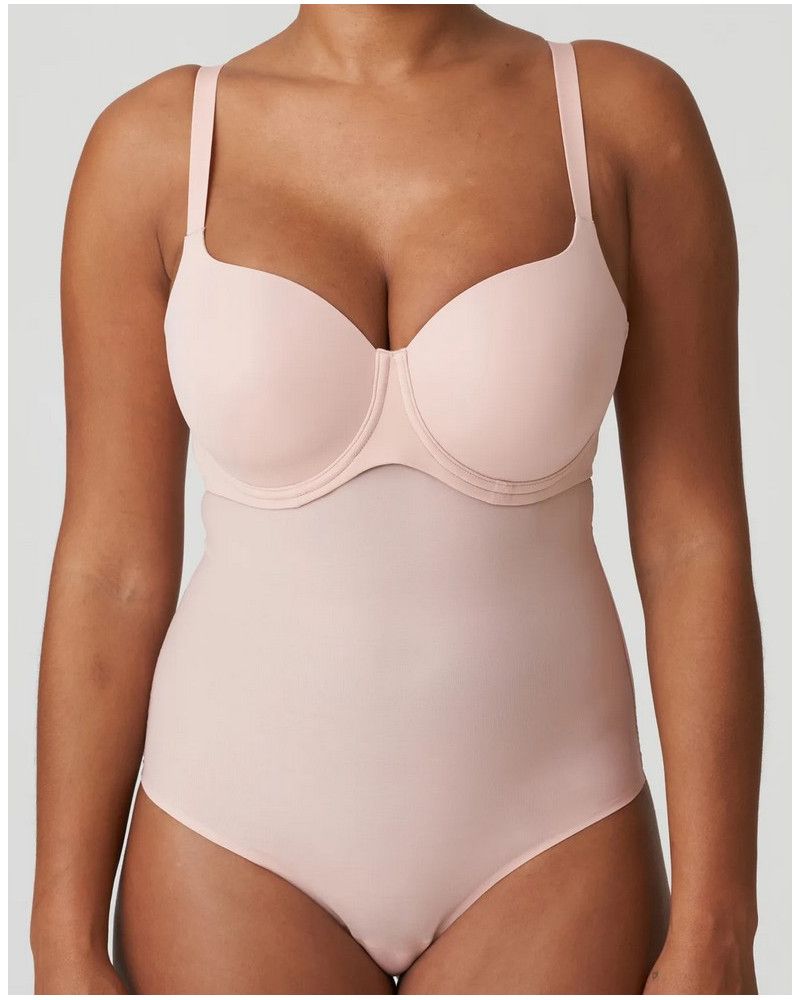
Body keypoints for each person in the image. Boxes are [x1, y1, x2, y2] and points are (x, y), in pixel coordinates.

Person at [30, 5, 762, 995]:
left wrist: (718, 924)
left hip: (556, 846)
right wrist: (60, 935)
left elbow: (691, 541)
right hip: (225, 843)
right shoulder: (154, 146)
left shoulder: (621, 118)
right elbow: (110, 569)